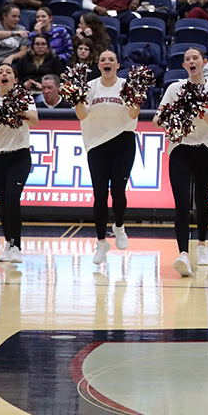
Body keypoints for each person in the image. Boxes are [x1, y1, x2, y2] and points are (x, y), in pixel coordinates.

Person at [153, 48, 208, 277]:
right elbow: (156, 120)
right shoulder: (175, 89)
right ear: (184, 66)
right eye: (187, 59)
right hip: (180, 149)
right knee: (182, 204)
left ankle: (202, 245)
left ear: (204, 63)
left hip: (205, 149)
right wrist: (171, 117)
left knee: (202, 201)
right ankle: (183, 254)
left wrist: (199, 111)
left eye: (196, 58)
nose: (191, 61)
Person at [74, 50, 138, 265]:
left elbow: (133, 115)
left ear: (118, 65)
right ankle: (101, 243)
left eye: (111, 59)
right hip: (96, 145)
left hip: (123, 142)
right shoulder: (90, 87)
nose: (107, 62)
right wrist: (76, 98)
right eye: (103, 60)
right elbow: (82, 115)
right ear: (99, 65)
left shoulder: (127, 86)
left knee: (118, 192)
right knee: (99, 194)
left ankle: (119, 226)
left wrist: (135, 97)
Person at [0, 64, 39, 264]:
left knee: (13, 199)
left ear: (15, 79)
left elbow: (34, 120)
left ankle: (16, 246)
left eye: (8, 72)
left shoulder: (24, 98)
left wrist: (14, 109)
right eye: (0, 73)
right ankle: (8, 243)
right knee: (3, 203)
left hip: (19, 156)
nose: (4, 75)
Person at [0, 4, 29, 75]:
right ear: (4, 16)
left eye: (18, 17)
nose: (17, 19)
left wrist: (12, 57)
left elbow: (23, 51)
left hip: (10, 64)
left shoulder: (22, 29)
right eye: (14, 16)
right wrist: (14, 33)